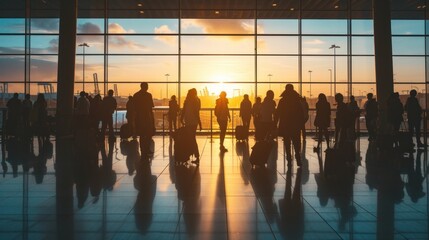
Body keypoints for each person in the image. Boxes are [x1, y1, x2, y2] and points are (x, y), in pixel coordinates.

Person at [275, 84, 304, 167]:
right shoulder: (296, 101)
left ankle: (288, 157)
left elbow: (278, 113)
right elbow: (301, 113)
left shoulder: (282, 101)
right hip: (295, 125)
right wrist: (301, 123)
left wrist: (275, 123)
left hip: (285, 125)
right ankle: (297, 157)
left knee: (287, 143)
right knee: (296, 142)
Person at [133, 82, 155, 157]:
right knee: (148, 134)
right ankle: (146, 148)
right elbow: (150, 108)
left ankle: (143, 150)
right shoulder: (149, 95)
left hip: (140, 117)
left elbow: (134, 108)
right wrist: (152, 119)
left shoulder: (136, 95)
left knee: (142, 135)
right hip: (147, 117)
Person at [180, 89, 202, 165]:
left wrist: (181, 118)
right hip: (193, 122)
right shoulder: (196, 101)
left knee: (190, 139)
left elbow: (184, 111)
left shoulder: (187, 101)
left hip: (189, 122)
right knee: (192, 138)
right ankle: (195, 155)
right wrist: (199, 122)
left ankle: (193, 155)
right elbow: (196, 112)